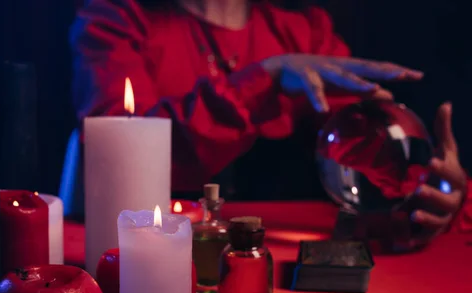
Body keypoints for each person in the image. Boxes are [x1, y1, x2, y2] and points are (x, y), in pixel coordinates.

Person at [69, 0, 469, 238]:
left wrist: (432, 190)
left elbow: (371, 162)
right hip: (148, 266)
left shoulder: (303, 33)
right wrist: (268, 77)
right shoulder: (114, 21)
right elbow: (121, 155)